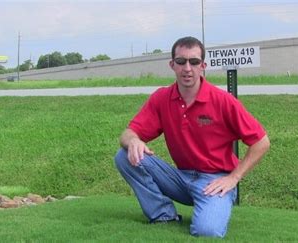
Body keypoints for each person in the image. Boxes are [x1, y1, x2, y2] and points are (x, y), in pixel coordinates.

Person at [114, 36, 270, 238]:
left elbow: (261, 142)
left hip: (214, 181)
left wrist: (234, 178)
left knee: (207, 231)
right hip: (180, 178)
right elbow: (127, 133)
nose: (187, 68)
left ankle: (215, 206)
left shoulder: (223, 101)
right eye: (181, 61)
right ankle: (163, 215)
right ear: (172, 65)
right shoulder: (162, 98)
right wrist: (134, 140)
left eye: (194, 62)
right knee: (124, 155)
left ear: (203, 66)